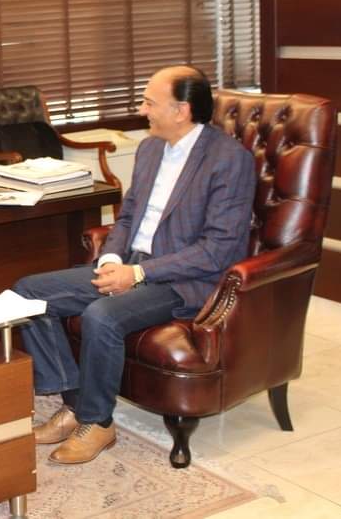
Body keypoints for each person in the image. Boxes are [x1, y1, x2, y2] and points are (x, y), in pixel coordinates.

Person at [13, 65, 256, 465]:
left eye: (149, 103)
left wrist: (140, 273)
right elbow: (127, 218)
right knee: (28, 293)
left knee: (101, 315)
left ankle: (98, 423)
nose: (142, 110)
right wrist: (112, 258)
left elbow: (218, 250)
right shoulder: (150, 149)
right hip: (131, 264)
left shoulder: (228, 160)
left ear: (181, 110)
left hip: (183, 280)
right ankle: (76, 405)